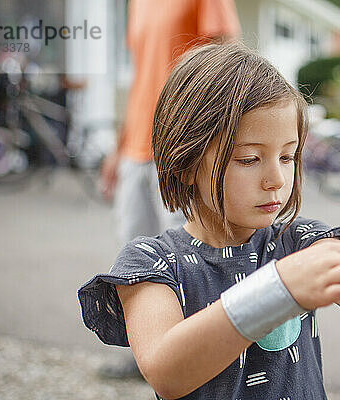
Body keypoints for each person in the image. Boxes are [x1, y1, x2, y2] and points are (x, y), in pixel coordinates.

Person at [79, 42, 340, 399]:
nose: (276, 179)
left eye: (287, 157)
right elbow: (166, 372)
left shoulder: (300, 242)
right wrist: (280, 288)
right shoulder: (151, 263)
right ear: (186, 164)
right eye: (250, 159)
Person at [97, 0, 240, 378]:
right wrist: (117, 149)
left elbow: (228, 57)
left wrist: (217, 141)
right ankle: (147, 356)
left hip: (179, 147)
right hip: (135, 152)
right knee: (138, 260)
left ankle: (205, 362)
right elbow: (141, 78)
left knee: (190, 257)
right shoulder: (137, 4)